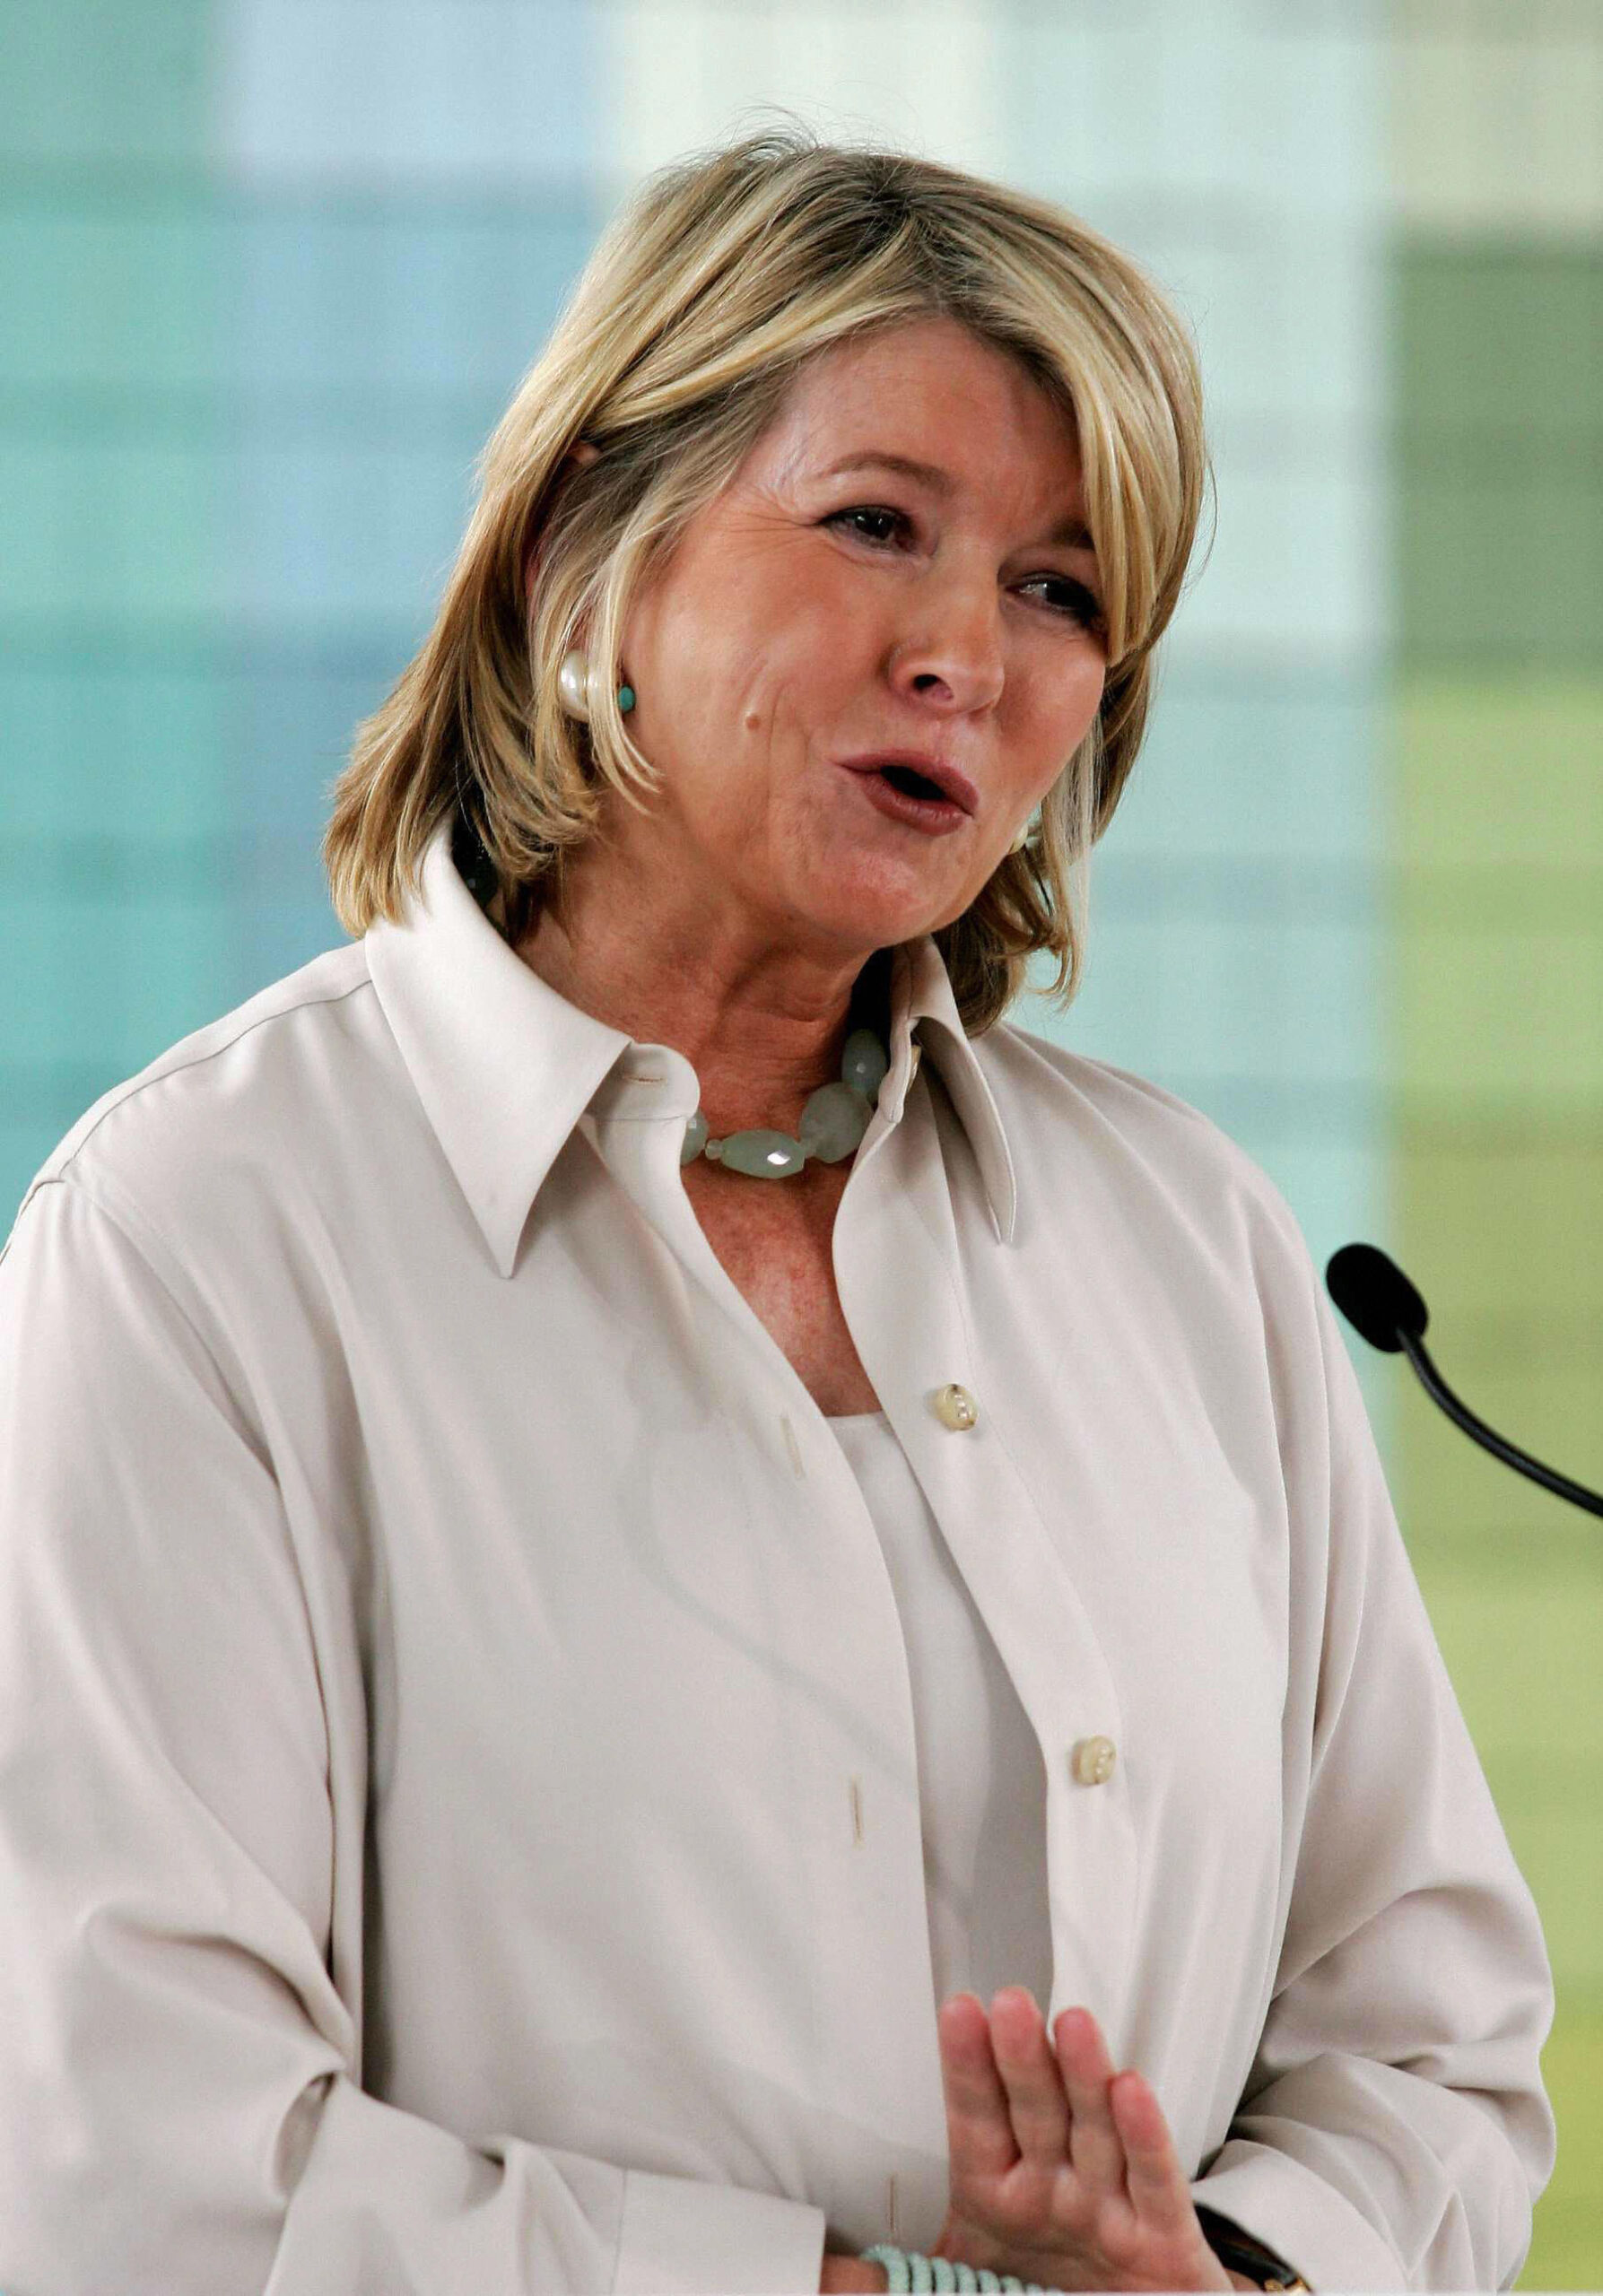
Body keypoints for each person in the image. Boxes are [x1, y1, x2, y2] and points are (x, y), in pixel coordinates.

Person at [0, 122, 1555, 2296]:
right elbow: (133, 2159)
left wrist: (1243, 2273)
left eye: (1062, 589)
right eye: (874, 527)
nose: (964, 654)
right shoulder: (202, 1233)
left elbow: (1433, 2030)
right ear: (580, 563)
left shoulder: (1185, 1235)